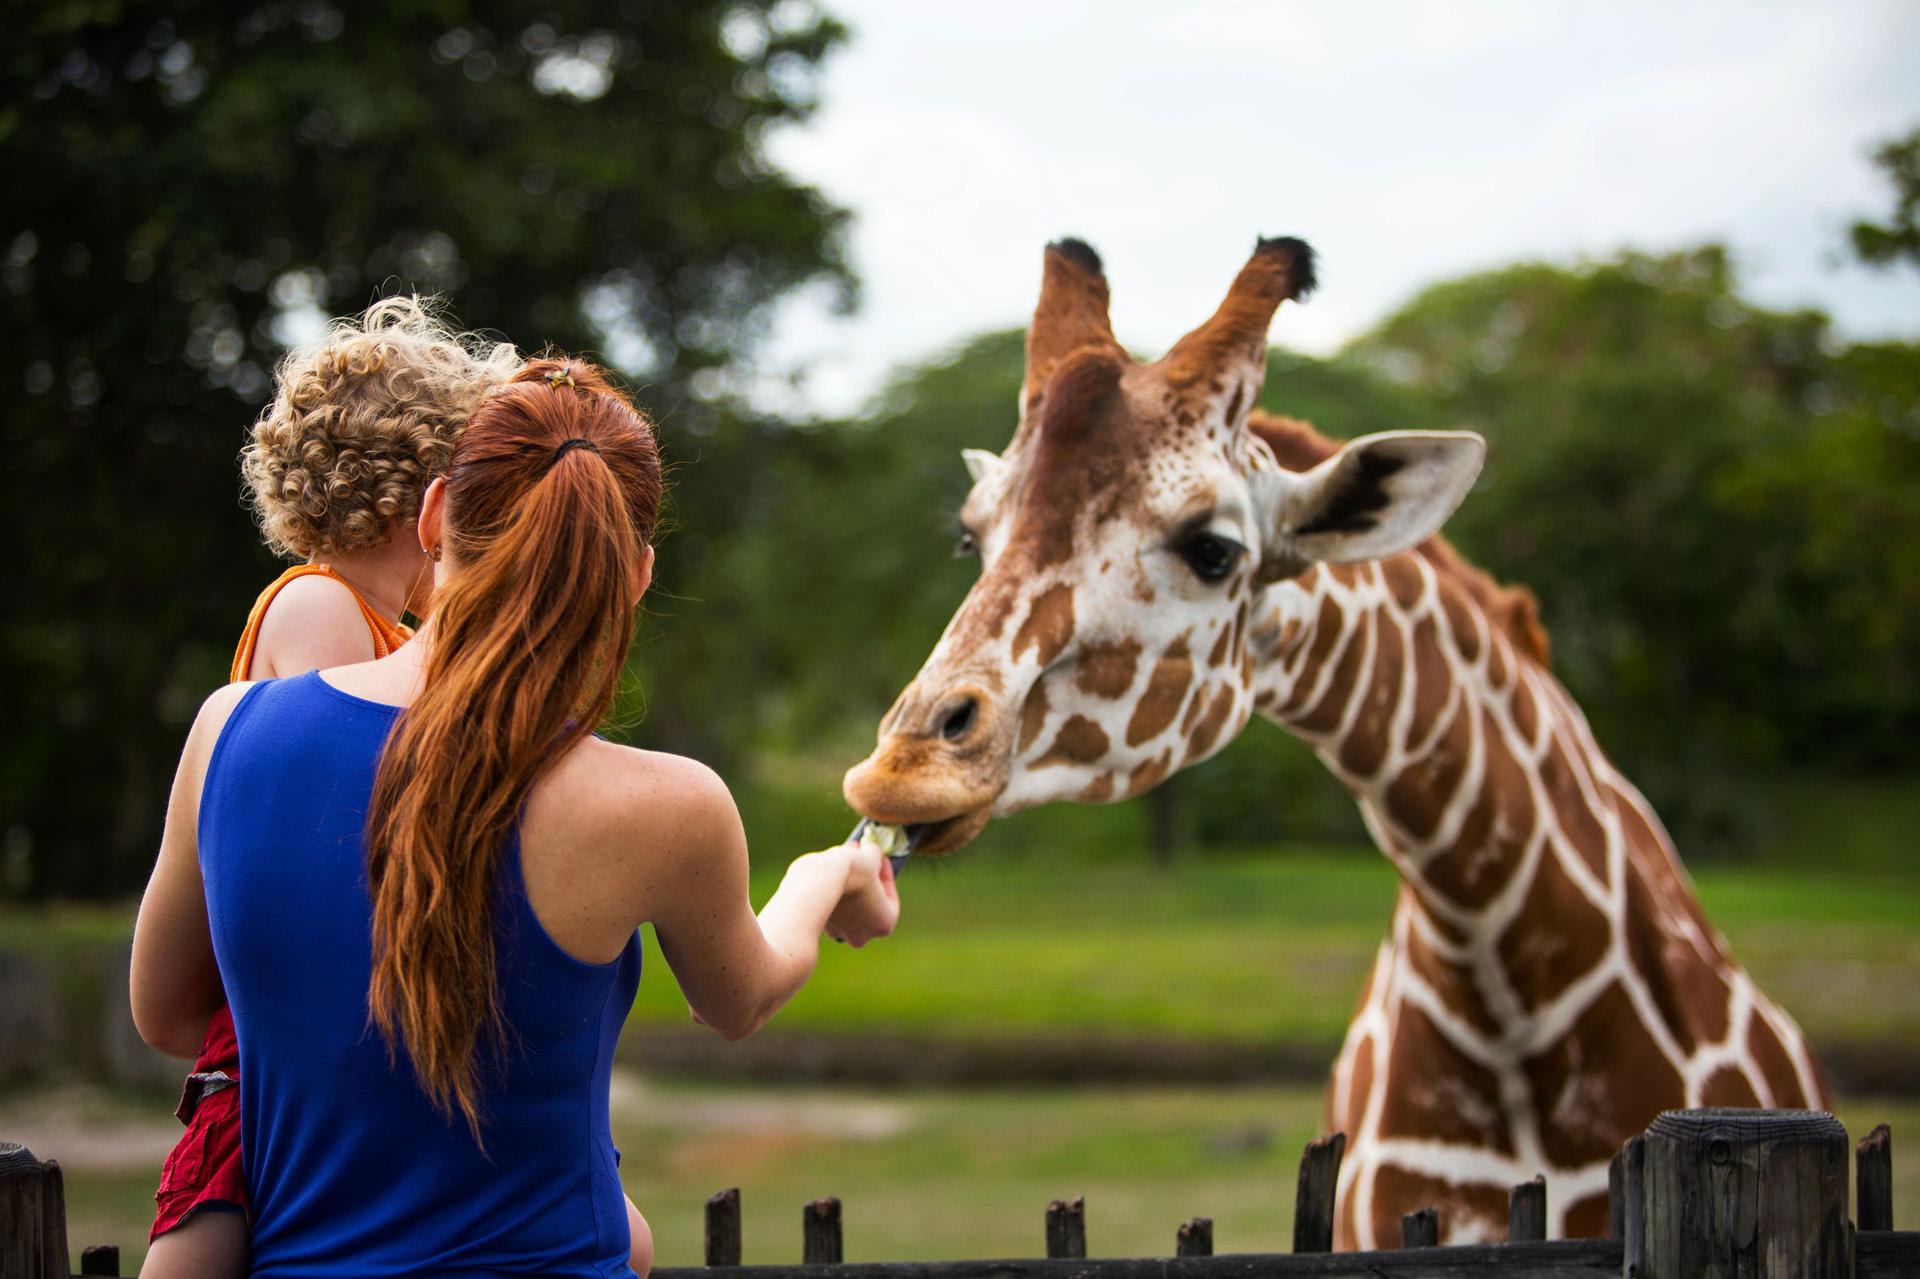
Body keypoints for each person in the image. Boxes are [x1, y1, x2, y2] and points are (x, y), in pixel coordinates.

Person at [131, 356, 900, 1278]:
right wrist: (828, 878)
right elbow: (739, 998)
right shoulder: (670, 805)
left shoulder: (229, 733)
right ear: (637, 575)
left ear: (433, 515)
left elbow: (170, 1013)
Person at [140, 296, 520, 1279]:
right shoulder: (321, 604)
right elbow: (343, 795)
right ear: (436, 497)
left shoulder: (395, 630)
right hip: (283, 1054)